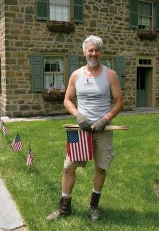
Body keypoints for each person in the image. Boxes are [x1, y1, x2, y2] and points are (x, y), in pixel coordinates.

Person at [47, 35, 124, 222]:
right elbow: (67, 99)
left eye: (97, 50)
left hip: (103, 130)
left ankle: (93, 207)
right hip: (78, 130)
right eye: (90, 50)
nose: (94, 53)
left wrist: (105, 120)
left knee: (100, 167)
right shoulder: (76, 75)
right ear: (84, 52)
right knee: (68, 168)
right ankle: (64, 208)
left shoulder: (110, 75)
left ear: (101, 53)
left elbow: (119, 101)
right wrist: (78, 115)